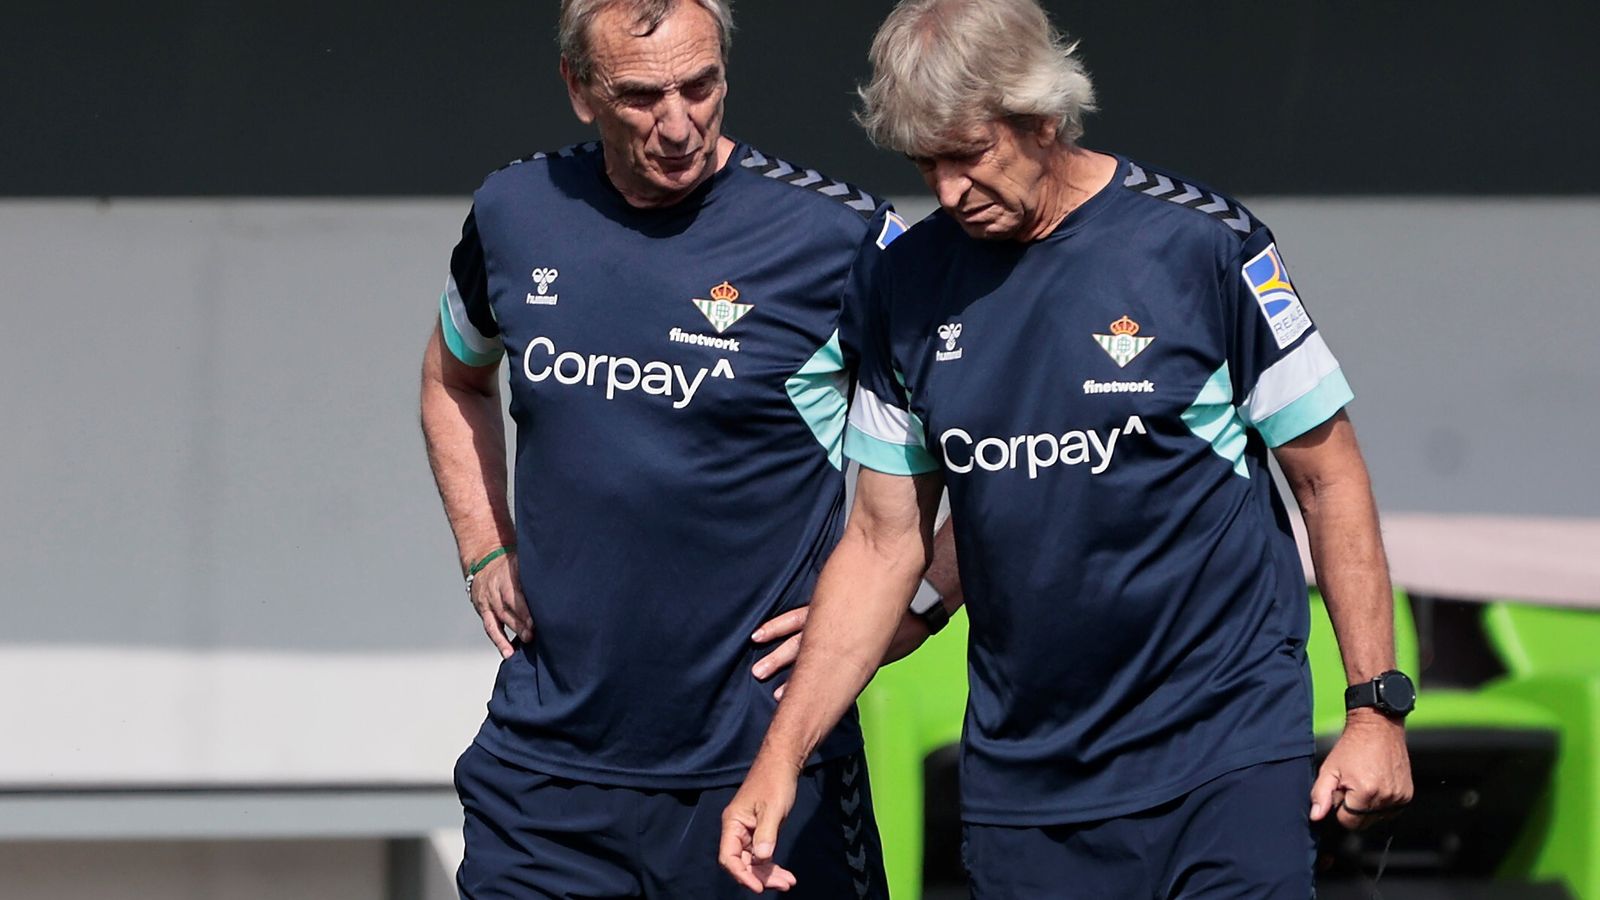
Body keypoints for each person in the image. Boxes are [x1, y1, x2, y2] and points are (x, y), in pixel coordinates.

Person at [720, 0, 1414, 896]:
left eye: (970, 155)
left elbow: (1329, 479)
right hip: (1027, 785)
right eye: (925, 164)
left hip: (1225, 753)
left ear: (1042, 115)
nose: (948, 191)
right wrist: (781, 759)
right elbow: (885, 538)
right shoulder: (901, 282)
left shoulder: (1204, 247)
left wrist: (1374, 707)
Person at [419, 1, 950, 896]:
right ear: (580, 90)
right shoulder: (516, 212)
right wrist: (484, 545)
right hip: (548, 777)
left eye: (699, 85)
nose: (678, 124)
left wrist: (920, 605)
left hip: (765, 770)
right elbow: (452, 379)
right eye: (639, 95)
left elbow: (984, 438)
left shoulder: (844, 240)